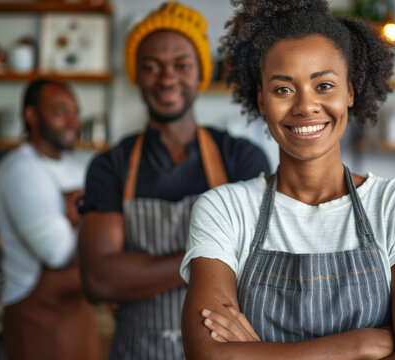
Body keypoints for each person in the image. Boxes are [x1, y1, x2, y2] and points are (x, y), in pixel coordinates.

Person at [180, 1, 395, 359]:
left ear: (350, 92)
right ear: (261, 100)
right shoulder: (224, 209)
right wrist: (361, 344)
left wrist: (256, 352)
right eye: (283, 90)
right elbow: (209, 355)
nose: (305, 106)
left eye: (324, 85)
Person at [77, 2, 270, 359]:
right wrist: (212, 259)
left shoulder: (240, 158)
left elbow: (260, 267)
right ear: (137, 75)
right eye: (152, 66)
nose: (167, 79)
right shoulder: (111, 165)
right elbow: (99, 280)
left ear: (200, 73)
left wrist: (140, 270)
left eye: (181, 65)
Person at [0, 79, 99, 360]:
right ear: (31, 115)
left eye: (75, 112)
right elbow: (57, 253)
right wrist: (93, 218)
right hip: (37, 315)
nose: (73, 122)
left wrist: (74, 214)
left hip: (78, 310)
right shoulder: (21, 170)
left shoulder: (73, 166)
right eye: (61, 111)